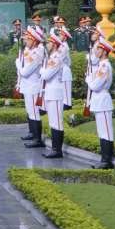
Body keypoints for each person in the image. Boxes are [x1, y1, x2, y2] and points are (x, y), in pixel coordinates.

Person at [40, 26, 72, 159]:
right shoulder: (51, 57)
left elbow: (46, 75)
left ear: (54, 44)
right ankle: (54, 148)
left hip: (55, 93)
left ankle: (57, 150)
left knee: (57, 122)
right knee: (53, 122)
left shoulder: (56, 58)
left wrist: (42, 71)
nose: (47, 44)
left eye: (49, 42)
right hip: (50, 92)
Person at [85, 35, 115, 170]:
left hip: (102, 100)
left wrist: (88, 80)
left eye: (98, 49)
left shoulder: (104, 66)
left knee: (106, 132)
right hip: (99, 100)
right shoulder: (100, 65)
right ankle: (104, 159)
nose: (95, 51)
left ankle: (107, 160)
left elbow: (95, 85)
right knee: (102, 131)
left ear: (104, 51)